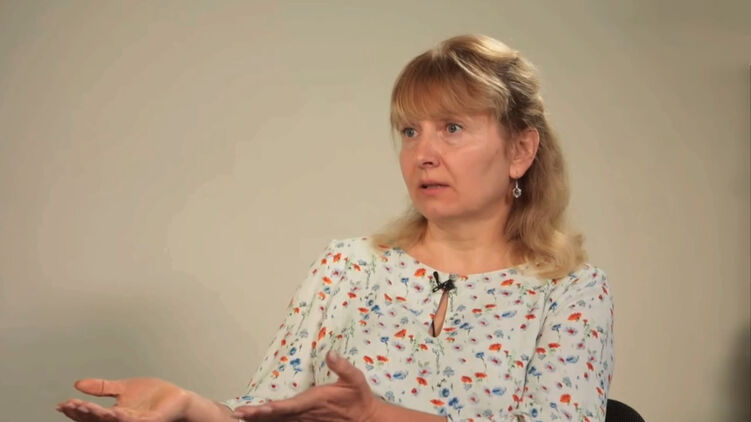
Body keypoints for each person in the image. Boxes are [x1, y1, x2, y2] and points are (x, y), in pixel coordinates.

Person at [57, 34, 614, 422]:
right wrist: (191, 407)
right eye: (409, 131)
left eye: (451, 128)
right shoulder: (348, 266)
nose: (423, 153)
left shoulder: (571, 292)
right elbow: (268, 410)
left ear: (520, 150)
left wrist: (377, 416)